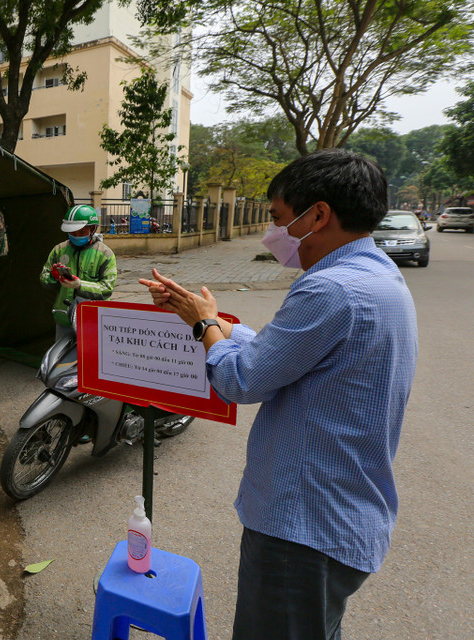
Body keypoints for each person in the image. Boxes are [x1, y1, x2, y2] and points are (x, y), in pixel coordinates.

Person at [139, 149, 418, 640]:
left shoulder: (331, 289)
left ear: (318, 215)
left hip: (303, 525)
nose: (274, 235)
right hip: (340, 515)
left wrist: (205, 325)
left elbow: (241, 379)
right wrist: (213, 320)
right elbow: (282, 353)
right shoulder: (375, 275)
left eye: (278, 219)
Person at [39, 204, 117, 340]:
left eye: (81, 233)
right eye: (72, 233)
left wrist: (79, 285)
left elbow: (106, 288)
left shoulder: (105, 254)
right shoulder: (59, 250)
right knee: (62, 359)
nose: (76, 236)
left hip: (93, 320)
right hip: (63, 318)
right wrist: (53, 276)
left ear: (92, 229)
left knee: (91, 358)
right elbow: (43, 278)